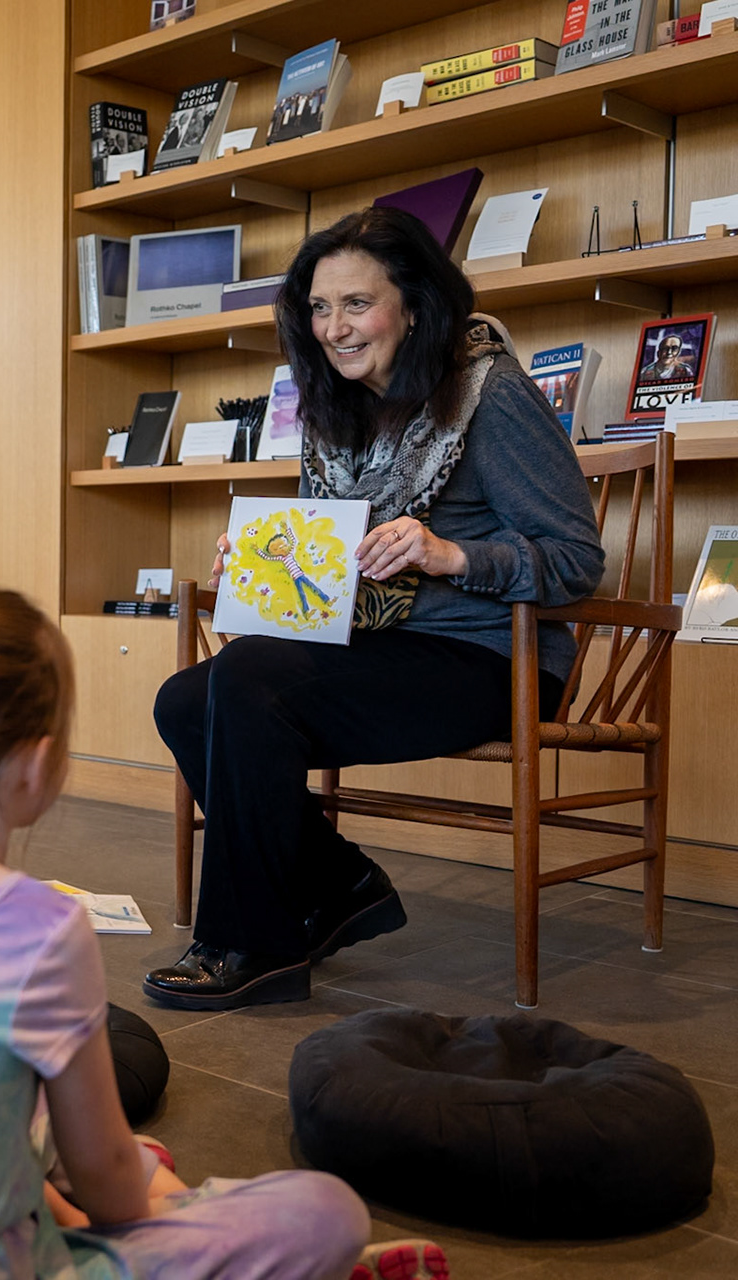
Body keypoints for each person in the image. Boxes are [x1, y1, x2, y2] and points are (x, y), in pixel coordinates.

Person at [0, 587, 410, 1279]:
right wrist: (148, 1214)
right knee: (325, 1211)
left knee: (53, 1129)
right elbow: (110, 1192)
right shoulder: (33, 929)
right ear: (35, 765)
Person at [144, 206, 606, 1011]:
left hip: (493, 659)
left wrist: (450, 554)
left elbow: (577, 562)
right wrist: (263, 567)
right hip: (377, 647)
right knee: (186, 698)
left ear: (415, 306)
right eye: (321, 308)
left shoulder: (488, 393)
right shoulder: (338, 412)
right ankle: (340, 884)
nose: (334, 328)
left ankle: (255, 945)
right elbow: (331, 568)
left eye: (357, 304)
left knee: (247, 678)